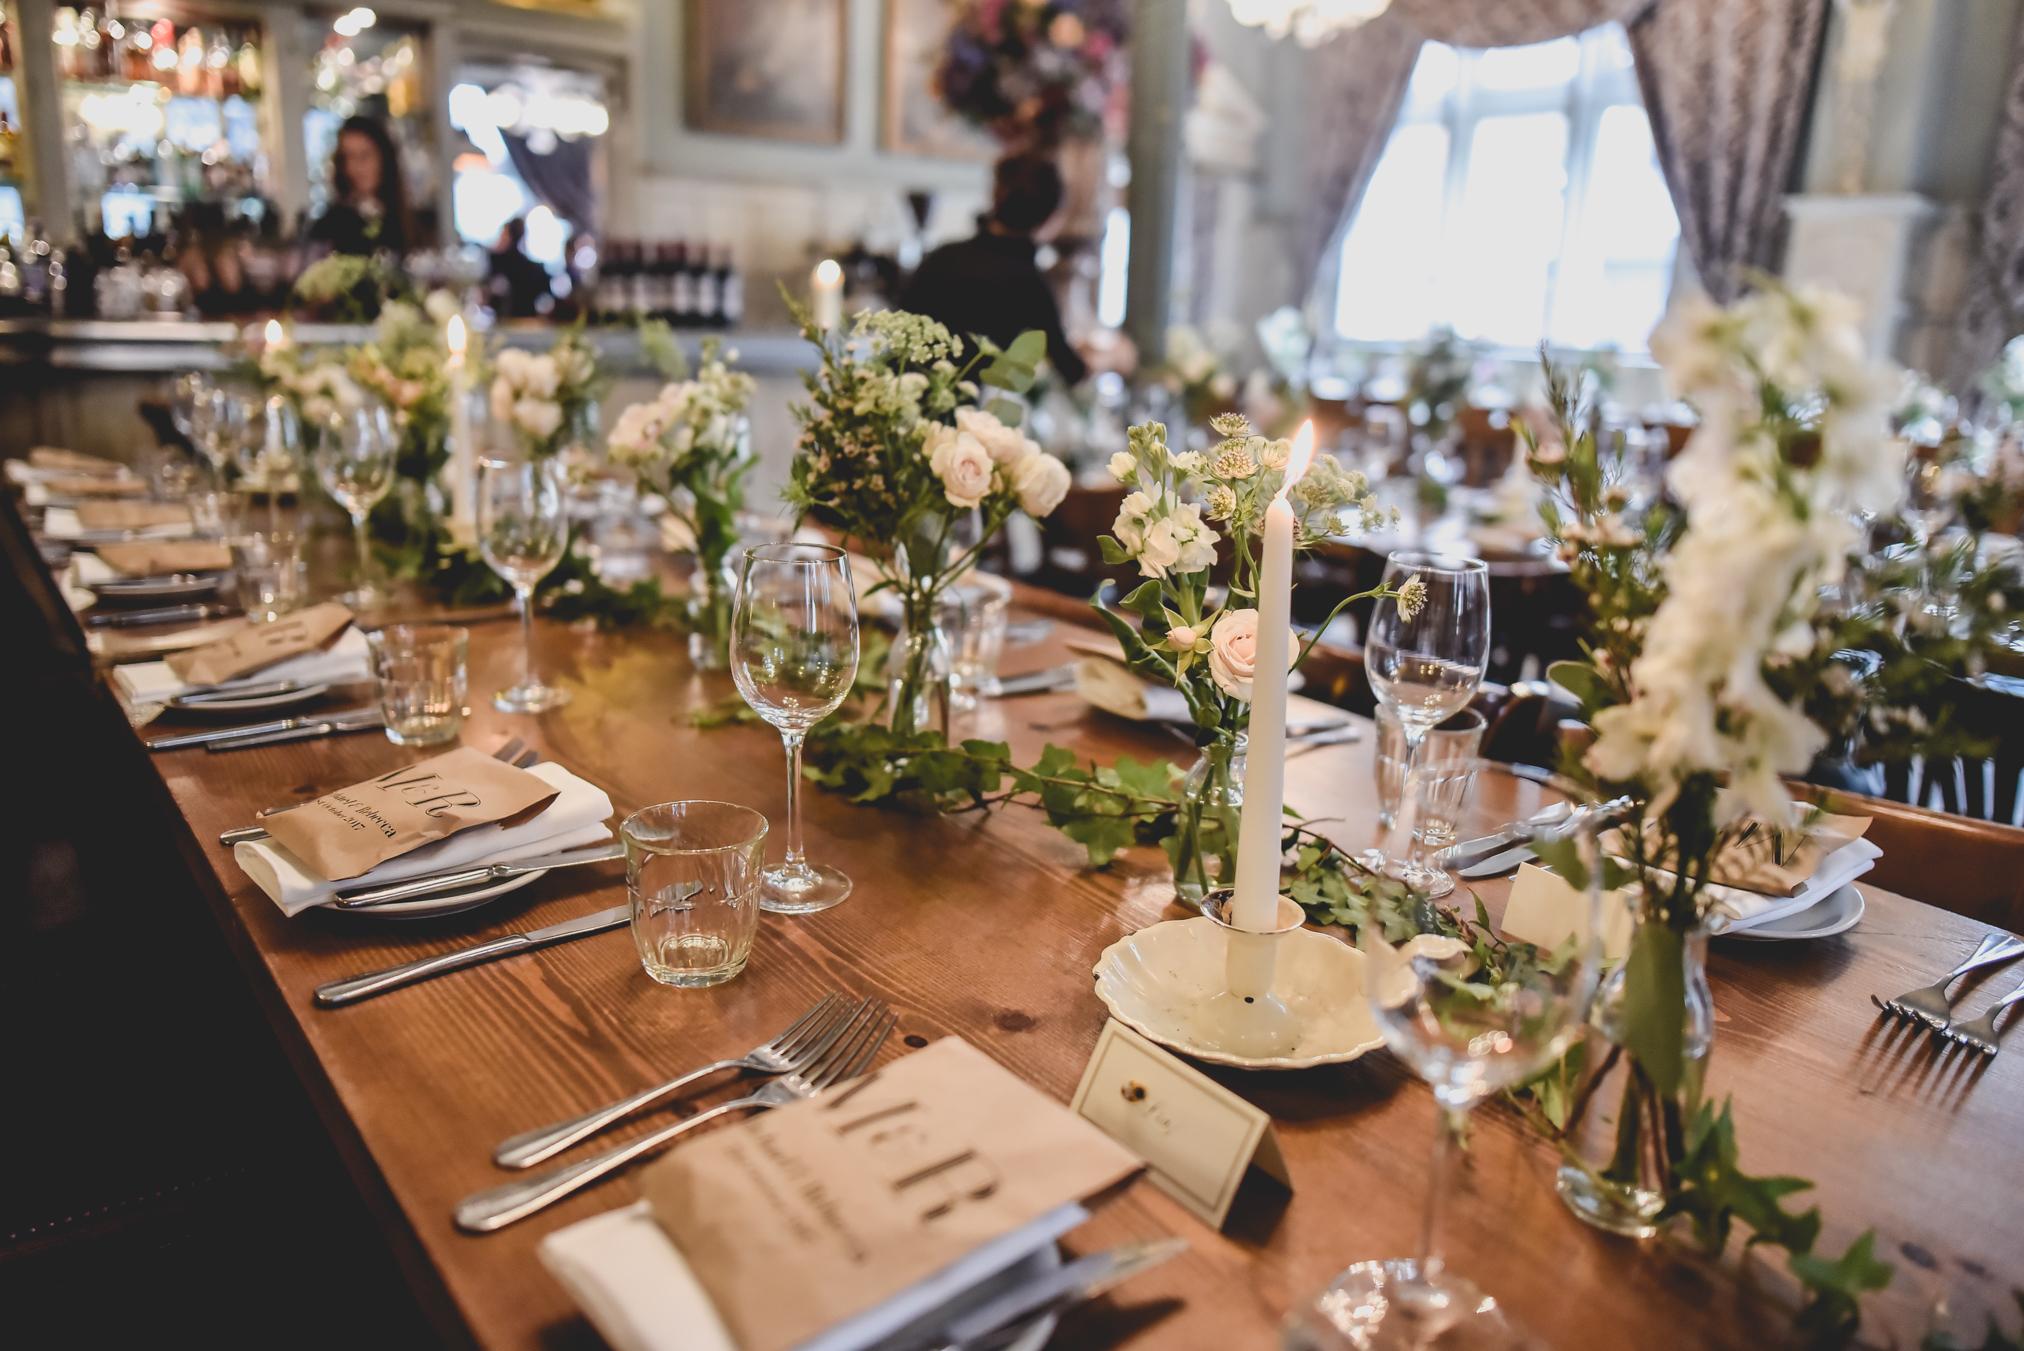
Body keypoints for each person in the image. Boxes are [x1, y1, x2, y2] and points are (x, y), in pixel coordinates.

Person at [899, 153, 1089, 386]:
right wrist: (1111, 359)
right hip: (967, 417)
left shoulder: (941, 257)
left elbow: (899, 333)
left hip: (901, 400)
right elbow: (1071, 369)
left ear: (995, 196)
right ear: (1051, 218)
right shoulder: (1030, 283)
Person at [307, 116, 412, 258]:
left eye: (365, 156)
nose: (356, 167)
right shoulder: (331, 223)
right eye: (349, 157)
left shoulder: (402, 217)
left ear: (384, 158)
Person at [487, 217, 554, 319]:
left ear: (510, 235)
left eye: (502, 234)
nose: (499, 238)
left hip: (506, 322)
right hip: (530, 320)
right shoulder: (533, 267)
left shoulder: (499, 261)